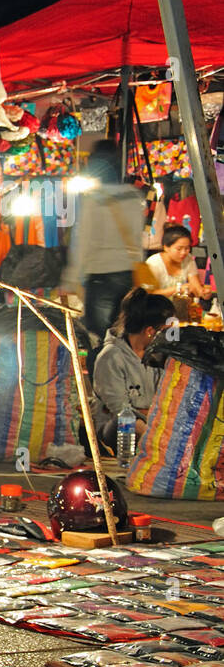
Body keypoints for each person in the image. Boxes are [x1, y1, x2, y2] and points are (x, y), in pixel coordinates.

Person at [60, 140, 147, 338]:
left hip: (100, 277)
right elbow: (138, 236)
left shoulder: (93, 199)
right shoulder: (134, 196)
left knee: (102, 337)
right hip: (128, 274)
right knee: (125, 335)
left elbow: (83, 241)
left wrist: (71, 278)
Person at [92, 287, 175, 452]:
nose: (171, 335)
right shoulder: (111, 357)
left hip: (152, 424)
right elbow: (120, 410)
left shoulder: (158, 356)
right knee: (126, 422)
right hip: (115, 433)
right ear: (151, 331)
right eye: (167, 331)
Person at [145, 224, 215, 305]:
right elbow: (147, 294)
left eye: (187, 248)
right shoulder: (152, 263)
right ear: (166, 247)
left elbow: (196, 285)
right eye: (179, 249)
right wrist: (178, 289)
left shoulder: (188, 259)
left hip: (177, 309)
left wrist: (203, 293)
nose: (184, 252)